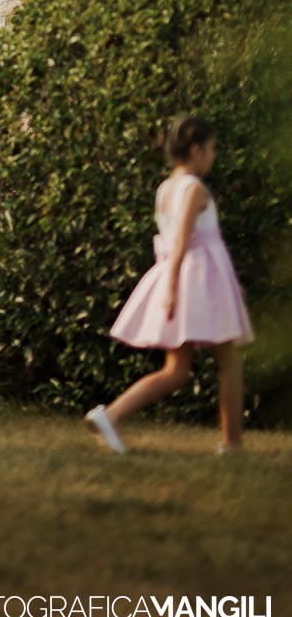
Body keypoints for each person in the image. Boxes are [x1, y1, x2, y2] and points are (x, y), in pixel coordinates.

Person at [84, 114, 252, 456]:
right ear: (196, 150)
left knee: (176, 371)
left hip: (193, 278)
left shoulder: (165, 189)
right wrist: (174, 287)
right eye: (211, 149)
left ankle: (111, 415)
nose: (213, 155)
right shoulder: (194, 188)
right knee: (230, 362)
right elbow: (184, 242)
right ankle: (232, 444)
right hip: (198, 281)